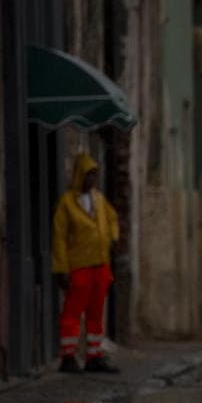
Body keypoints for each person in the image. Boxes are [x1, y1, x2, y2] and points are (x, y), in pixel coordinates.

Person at [52, 153, 121, 374]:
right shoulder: (67, 203)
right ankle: (68, 356)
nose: (92, 179)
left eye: (94, 175)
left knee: (95, 313)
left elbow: (112, 218)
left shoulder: (99, 199)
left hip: (100, 265)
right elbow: (59, 237)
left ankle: (94, 355)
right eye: (88, 174)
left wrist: (112, 237)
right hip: (79, 266)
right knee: (72, 312)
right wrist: (61, 268)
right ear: (80, 175)